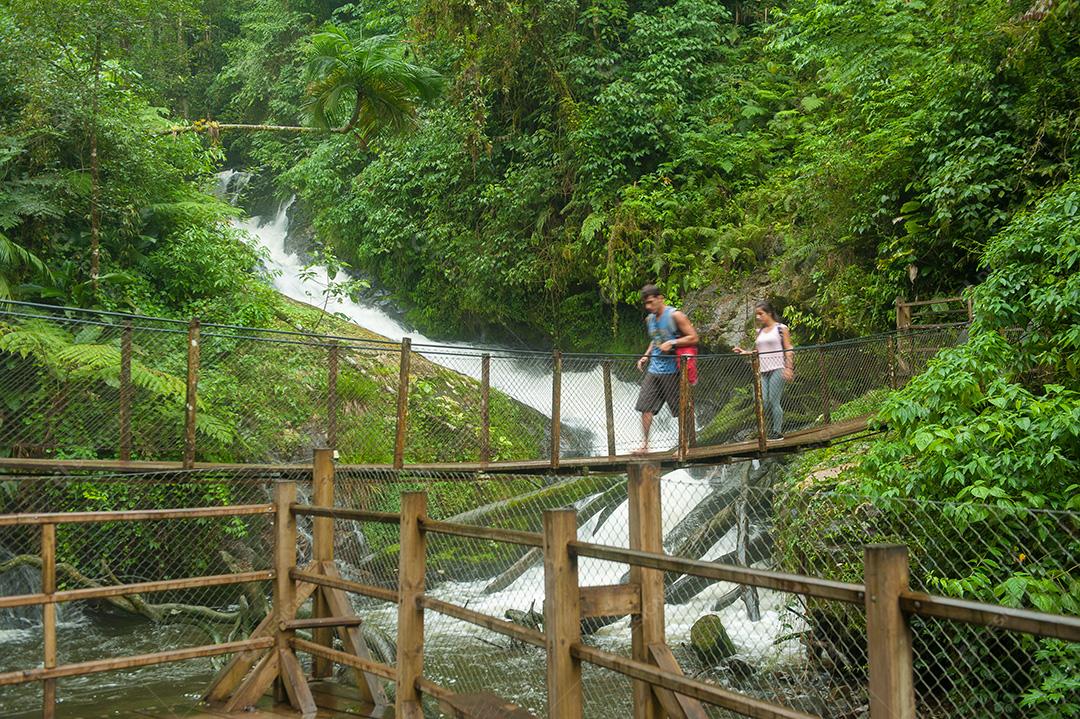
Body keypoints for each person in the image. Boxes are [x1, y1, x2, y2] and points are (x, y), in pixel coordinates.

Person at [634, 284, 698, 453]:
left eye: (651, 302)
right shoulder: (649, 319)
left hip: (675, 369)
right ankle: (645, 445)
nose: (648, 307)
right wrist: (646, 356)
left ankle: (686, 445)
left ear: (660, 298)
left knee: (682, 409)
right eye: (645, 304)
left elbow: (693, 337)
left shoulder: (675, 315)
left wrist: (673, 342)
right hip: (654, 369)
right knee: (645, 407)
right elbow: (655, 339)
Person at [734, 301, 793, 439]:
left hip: (778, 367)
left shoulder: (781, 328)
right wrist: (745, 352)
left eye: (761, 314)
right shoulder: (759, 331)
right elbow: (758, 351)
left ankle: (777, 431)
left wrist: (789, 368)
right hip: (763, 370)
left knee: (774, 400)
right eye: (757, 314)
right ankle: (765, 430)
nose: (758, 317)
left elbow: (788, 348)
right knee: (763, 402)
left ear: (769, 313)